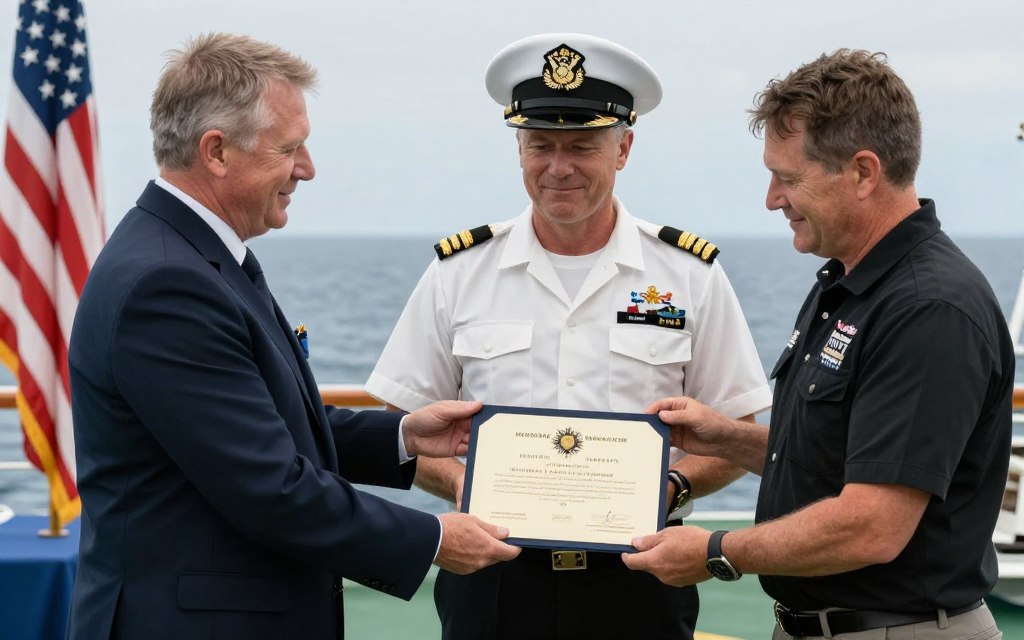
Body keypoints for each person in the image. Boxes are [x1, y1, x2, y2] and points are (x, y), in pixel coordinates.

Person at [66, 33, 520, 640]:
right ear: (217, 151)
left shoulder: (191, 257)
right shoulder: (168, 283)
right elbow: (269, 488)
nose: (307, 168)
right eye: (289, 148)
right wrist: (433, 538)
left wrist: (404, 436)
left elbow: (263, 425)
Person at [365, 33, 772, 640]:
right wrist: (465, 486)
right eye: (540, 145)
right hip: (493, 576)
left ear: (623, 149)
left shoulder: (688, 275)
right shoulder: (459, 272)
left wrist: (673, 486)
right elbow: (402, 422)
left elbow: (737, 429)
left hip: (640, 575)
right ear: (519, 149)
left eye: (582, 146)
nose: (559, 167)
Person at [623, 49, 1012, 639]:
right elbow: (842, 459)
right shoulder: (852, 285)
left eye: (789, 178)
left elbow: (872, 525)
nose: (772, 198)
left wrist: (716, 551)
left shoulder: (927, 308)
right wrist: (726, 437)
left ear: (863, 172)